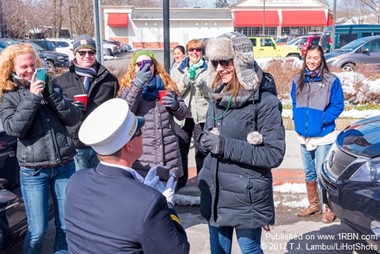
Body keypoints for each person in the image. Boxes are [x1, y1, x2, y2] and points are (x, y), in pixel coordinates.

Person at [198, 32, 286, 254]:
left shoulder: (265, 101)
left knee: (250, 250)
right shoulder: (217, 95)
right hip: (215, 192)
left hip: (245, 195)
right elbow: (208, 135)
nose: (219, 68)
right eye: (215, 62)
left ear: (240, 61)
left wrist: (225, 146)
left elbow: (273, 154)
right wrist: (203, 140)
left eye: (225, 62)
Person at [65, 98, 190, 253]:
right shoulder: (150, 202)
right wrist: (167, 206)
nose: (142, 135)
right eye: (139, 132)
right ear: (129, 146)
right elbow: (177, 250)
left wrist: (143, 192)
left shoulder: (76, 181)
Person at [0, 43, 82, 253]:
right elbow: (15, 129)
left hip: (64, 166)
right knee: (37, 230)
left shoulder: (51, 86)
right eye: (23, 67)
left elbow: (73, 117)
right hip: (34, 171)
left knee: (65, 227)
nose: (29, 70)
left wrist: (50, 94)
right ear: (12, 69)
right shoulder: (8, 96)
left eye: (32, 64)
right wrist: (33, 97)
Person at [291, 44, 344, 224]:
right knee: (309, 172)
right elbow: (294, 102)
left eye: (315, 58)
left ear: (321, 59)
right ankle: (314, 204)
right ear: (305, 58)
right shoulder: (298, 79)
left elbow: (337, 106)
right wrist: (297, 119)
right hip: (303, 135)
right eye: (309, 58)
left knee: (323, 173)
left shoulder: (331, 81)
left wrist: (322, 120)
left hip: (323, 135)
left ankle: (328, 208)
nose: (312, 61)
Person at [117, 50, 189, 178]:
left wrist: (176, 106)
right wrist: (138, 85)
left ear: (154, 65)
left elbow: (183, 114)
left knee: (167, 197)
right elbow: (124, 113)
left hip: (168, 154)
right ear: (134, 68)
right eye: (139, 64)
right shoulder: (129, 87)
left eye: (148, 63)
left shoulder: (167, 85)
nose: (144, 66)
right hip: (144, 157)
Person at [54, 34, 119, 171]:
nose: (87, 56)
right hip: (75, 144)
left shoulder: (110, 80)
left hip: (101, 144)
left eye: (91, 52)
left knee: (101, 186)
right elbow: (56, 113)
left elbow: (116, 109)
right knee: (80, 187)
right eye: (82, 52)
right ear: (74, 53)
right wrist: (70, 108)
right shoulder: (60, 82)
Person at [170, 39, 210, 189]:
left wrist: (202, 86)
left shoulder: (208, 69)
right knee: (181, 148)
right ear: (187, 52)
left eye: (198, 50)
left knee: (202, 149)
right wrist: (185, 81)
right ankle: (181, 180)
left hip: (201, 115)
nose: (195, 53)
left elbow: (212, 92)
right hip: (183, 115)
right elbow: (175, 92)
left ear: (202, 52)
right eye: (192, 50)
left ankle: (203, 180)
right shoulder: (178, 69)